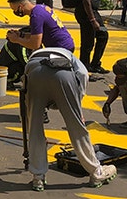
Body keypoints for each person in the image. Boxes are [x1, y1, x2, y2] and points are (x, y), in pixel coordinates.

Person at [23, 47, 117, 191]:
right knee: (77, 128)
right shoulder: (69, 55)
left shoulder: (33, 57)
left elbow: (25, 88)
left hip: (35, 73)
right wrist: (77, 105)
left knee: (34, 128)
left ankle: (38, 177)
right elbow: (83, 74)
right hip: (63, 74)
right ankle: (96, 172)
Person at [1, 0, 76, 90]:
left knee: (33, 66)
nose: (15, 12)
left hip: (60, 49)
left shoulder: (36, 16)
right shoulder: (41, 8)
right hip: (66, 44)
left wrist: (16, 40)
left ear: (21, 7)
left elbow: (35, 44)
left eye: (14, 9)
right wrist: (21, 35)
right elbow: (37, 35)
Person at [75, 0, 111, 73]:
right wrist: (92, 19)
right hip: (87, 14)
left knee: (102, 36)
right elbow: (87, 1)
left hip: (89, 12)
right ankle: (84, 68)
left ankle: (94, 64)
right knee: (88, 43)